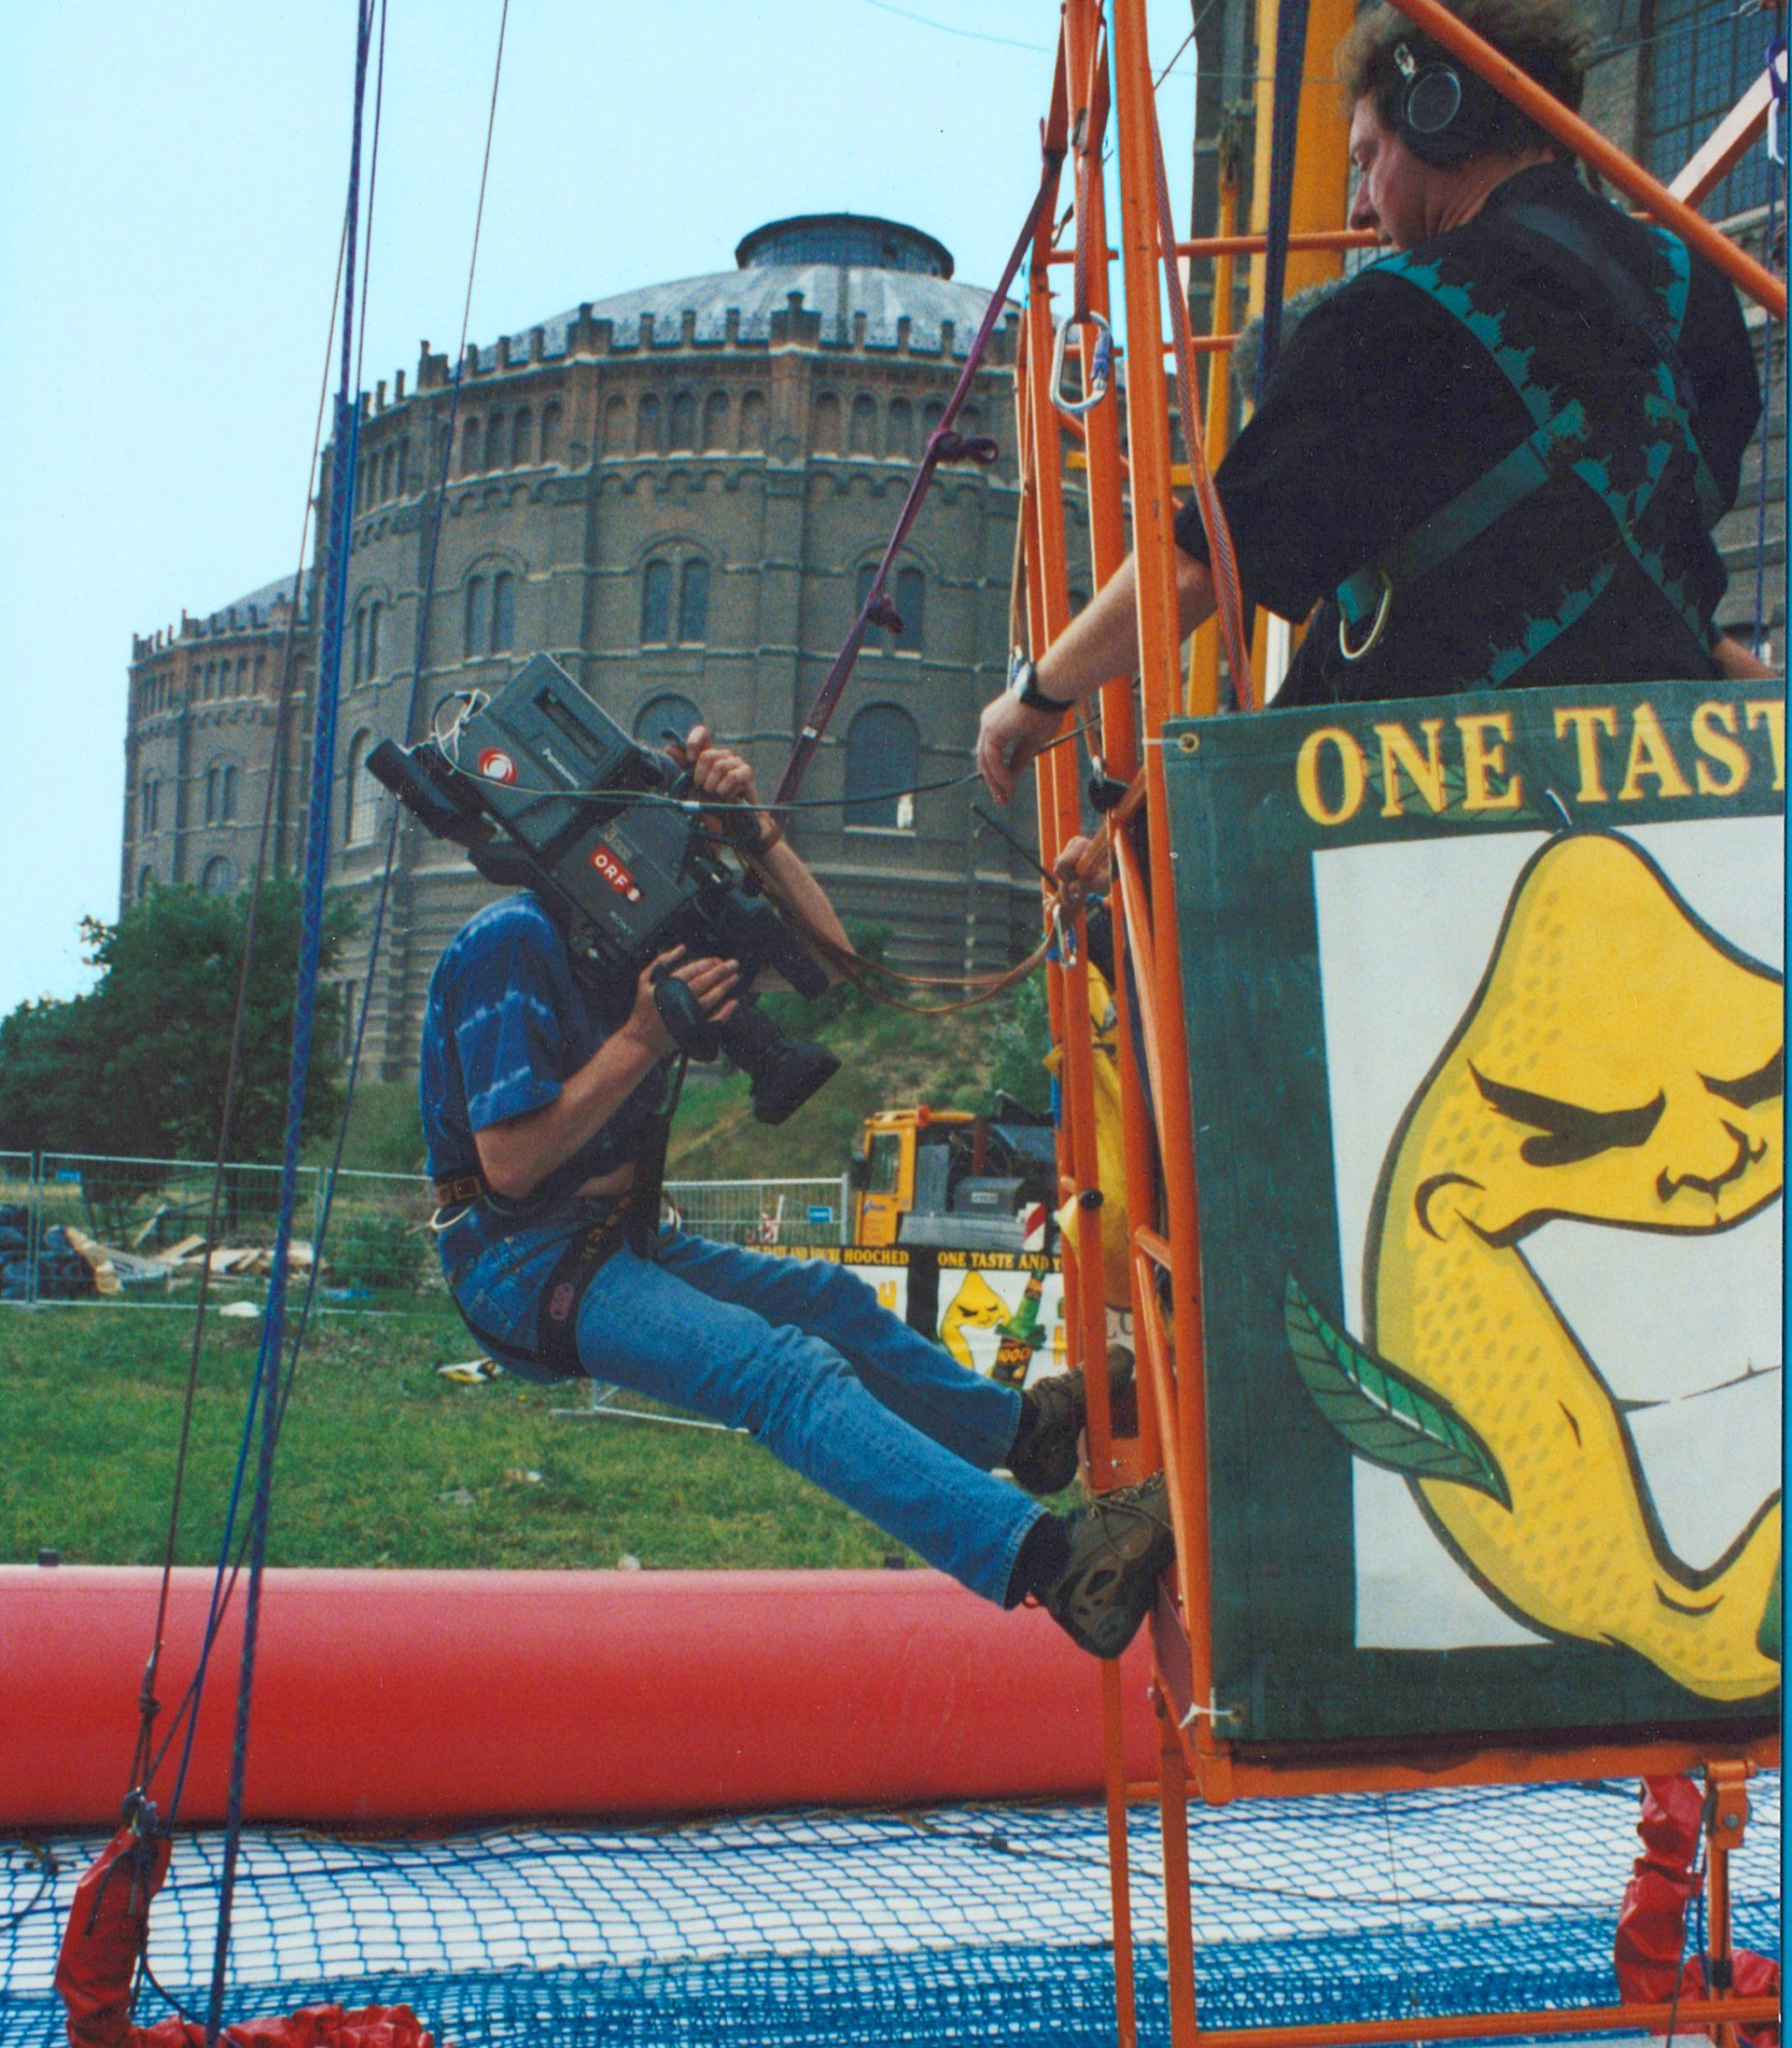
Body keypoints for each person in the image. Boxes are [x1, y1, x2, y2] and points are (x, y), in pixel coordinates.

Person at [420, 723, 1171, 1659]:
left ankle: (1024, 1431)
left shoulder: (644, 927)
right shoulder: (513, 943)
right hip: (520, 1264)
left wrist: (760, 838)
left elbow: (836, 956)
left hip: (615, 1237)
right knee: (777, 1372)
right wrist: (643, 1041)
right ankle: (1057, 1564)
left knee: (830, 1303)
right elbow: (511, 1166)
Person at [978, 0, 1767, 827]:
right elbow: (1672, 569)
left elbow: (1201, 562)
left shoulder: (1387, 314)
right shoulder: (1700, 294)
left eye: (1367, 158)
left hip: (1458, 814)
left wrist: (1037, 694)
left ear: (1438, 119)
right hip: (1674, 792)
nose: (1359, 207)